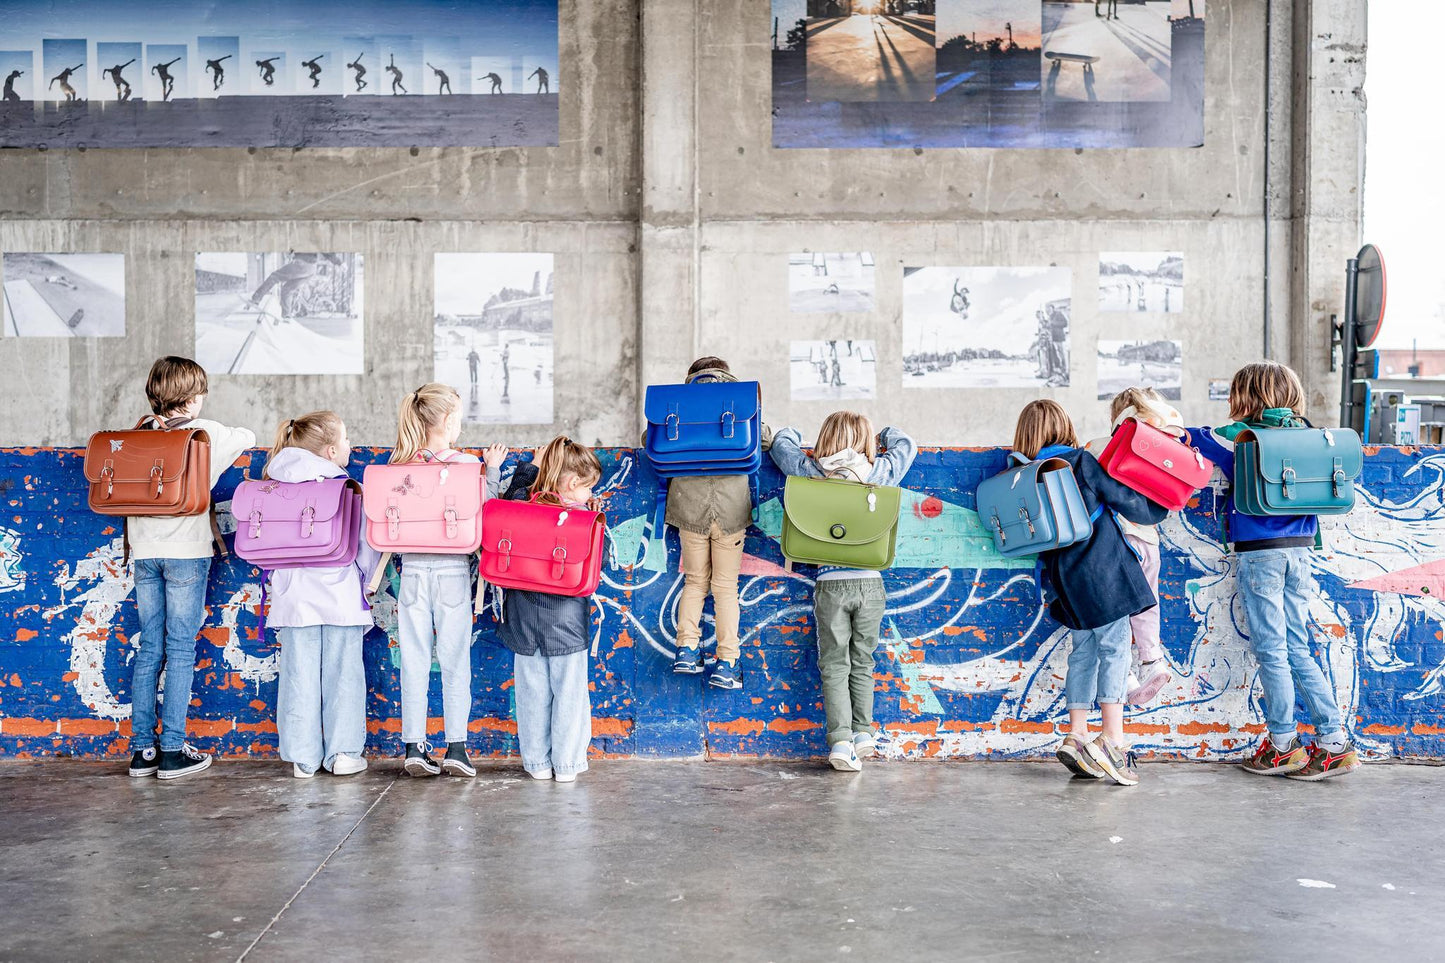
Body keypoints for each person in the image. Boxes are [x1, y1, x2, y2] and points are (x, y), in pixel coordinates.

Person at [1190, 361, 1363, 780]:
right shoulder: (1309, 438)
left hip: (1261, 554)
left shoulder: (1241, 438)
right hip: (1301, 552)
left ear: (1246, 396)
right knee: (1297, 647)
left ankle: (1284, 744)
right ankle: (1333, 742)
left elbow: (1189, 438)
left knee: (1272, 650)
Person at [1012, 400, 1165, 787]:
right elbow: (1129, 503)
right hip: (1104, 572)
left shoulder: (1024, 475)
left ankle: (1077, 734)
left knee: (1083, 653)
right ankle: (1113, 741)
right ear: (1065, 426)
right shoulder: (1080, 463)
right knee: (1115, 649)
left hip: (1063, 580)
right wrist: (1162, 505)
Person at [126, 357, 256, 780]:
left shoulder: (137, 436)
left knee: (150, 648)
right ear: (193, 396)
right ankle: (172, 751)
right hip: (186, 552)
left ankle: (142, 752)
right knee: (180, 648)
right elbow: (249, 436)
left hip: (144, 552)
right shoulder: (207, 434)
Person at [769, 412, 916, 772]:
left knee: (835, 665)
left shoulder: (813, 469)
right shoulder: (878, 471)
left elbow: (780, 445)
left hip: (830, 584)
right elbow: (906, 446)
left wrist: (793, 428)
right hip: (870, 582)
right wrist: (884, 434)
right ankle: (864, 732)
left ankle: (841, 741)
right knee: (864, 660)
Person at [390, 384, 505, 777]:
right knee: (455, 662)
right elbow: (484, 512)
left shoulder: (400, 464)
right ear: (450, 420)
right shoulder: (467, 465)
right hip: (454, 573)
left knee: (414, 660)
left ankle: (413, 746)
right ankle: (456, 747)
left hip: (412, 573)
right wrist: (494, 471)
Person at [261, 412, 380, 778]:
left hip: (292, 596)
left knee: (299, 674)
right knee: (344, 674)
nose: (350, 446)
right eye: (345, 441)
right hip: (340, 592)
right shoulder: (344, 486)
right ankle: (343, 753)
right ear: (330, 451)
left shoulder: (273, 481)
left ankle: (303, 757)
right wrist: (366, 581)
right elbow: (365, 547)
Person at [495, 437, 602, 782]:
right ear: (573, 484)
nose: (590, 495)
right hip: (567, 622)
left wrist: (531, 470)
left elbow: (508, 501)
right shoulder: (583, 518)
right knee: (569, 695)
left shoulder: (523, 506)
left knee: (531, 694)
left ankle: (537, 764)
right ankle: (567, 765)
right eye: (588, 487)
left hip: (522, 617)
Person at [662, 358, 765, 690]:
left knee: (694, 583)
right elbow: (763, 438)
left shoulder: (677, 403)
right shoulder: (736, 402)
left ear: (690, 374)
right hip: (730, 507)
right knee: (724, 588)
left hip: (688, 506)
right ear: (726, 372)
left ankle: (687, 650)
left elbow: (649, 438)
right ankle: (726, 662)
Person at [1084, 387, 1180, 705]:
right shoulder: (1165, 449)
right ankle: (1152, 660)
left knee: (1116, 612)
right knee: (1146, 604)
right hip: (1150, 540)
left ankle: (1124, 671)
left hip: (1117, 543)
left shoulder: (1098, 448)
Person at [249, 253, 340, 317]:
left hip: (302, 265)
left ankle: (256, 299)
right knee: (287, 289)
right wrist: (339, 263)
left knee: (274, 277)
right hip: (311, 269)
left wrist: (339, 262)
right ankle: (286, 315)